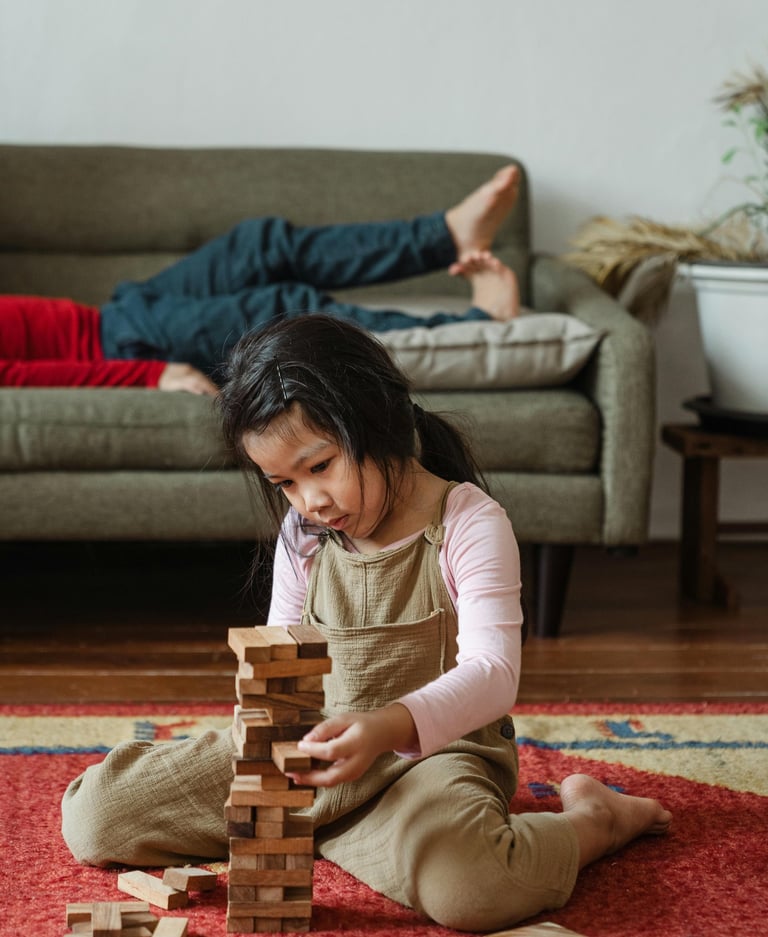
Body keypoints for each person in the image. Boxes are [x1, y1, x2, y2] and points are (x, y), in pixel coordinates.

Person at [61, 314, 672, 932]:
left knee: (476, 888)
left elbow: (494, 674)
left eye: (320, 466)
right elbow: (276, 659)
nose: (309, 501)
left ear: (377, 420)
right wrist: (265, 767)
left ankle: (596, 820)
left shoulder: (467, 521)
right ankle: (334, 832)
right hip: (313, 752)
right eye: (285, 484)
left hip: (428, 758)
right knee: (97, 818)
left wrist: (386, 727)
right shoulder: (303, 534)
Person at [0, 165, 522, 395]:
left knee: (260, 243)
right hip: (124, 347)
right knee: (285, 309)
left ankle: (445, 236)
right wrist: (144, 376)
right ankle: (473, 326)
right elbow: (19, 381)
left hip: (119, 313)